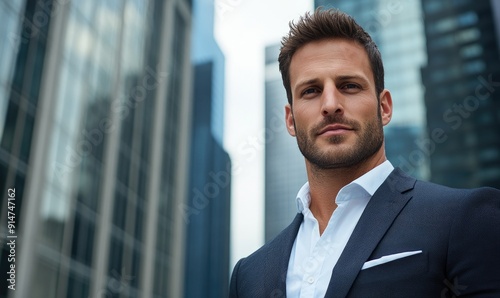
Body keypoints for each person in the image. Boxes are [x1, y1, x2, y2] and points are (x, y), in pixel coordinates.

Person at [229, 8, 500, 298]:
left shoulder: (466, 219)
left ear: (384, 107)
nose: (331, 104)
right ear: (290, 119)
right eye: (311, 90)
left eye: (349, 85)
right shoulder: (249, 274)